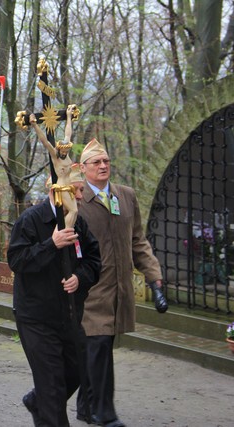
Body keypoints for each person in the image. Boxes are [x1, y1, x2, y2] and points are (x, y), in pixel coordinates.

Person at [75, 139, 168, 427]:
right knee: (99, 344)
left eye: (106, 161)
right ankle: (105, 412)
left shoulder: (125, 196)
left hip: (120, 288)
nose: (103, 166)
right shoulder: (75, 200)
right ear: (83, 168)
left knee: (100, 346)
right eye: (96, 162)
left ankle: (85, 406)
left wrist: (153, 275)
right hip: (91, 289)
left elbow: (137, 241)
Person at [8, 166, 101, 426]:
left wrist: (79, 278)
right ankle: (46, 406)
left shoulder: (78, 222)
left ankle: (37, 401)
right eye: (77, 190)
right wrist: (52, 244)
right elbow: (17, 260)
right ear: (58, 192)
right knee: (52, 386)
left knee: (77, 372)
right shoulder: (30, 220)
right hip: (36, 317)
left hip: (69, 316)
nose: (82, 196)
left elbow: (93, 260)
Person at [29, 104, 77, 228]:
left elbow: (68, 133)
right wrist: (34, 125)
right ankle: (65, 233)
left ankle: (65, 232)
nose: (65, 153)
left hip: (69, 186)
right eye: (63, 151)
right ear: (59, 149)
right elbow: (44, 141)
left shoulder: (66, 154)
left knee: (70, 212)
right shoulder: (55, 156)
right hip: (61, 187)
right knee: (73, 211)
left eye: (66, 151)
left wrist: (68, 116)